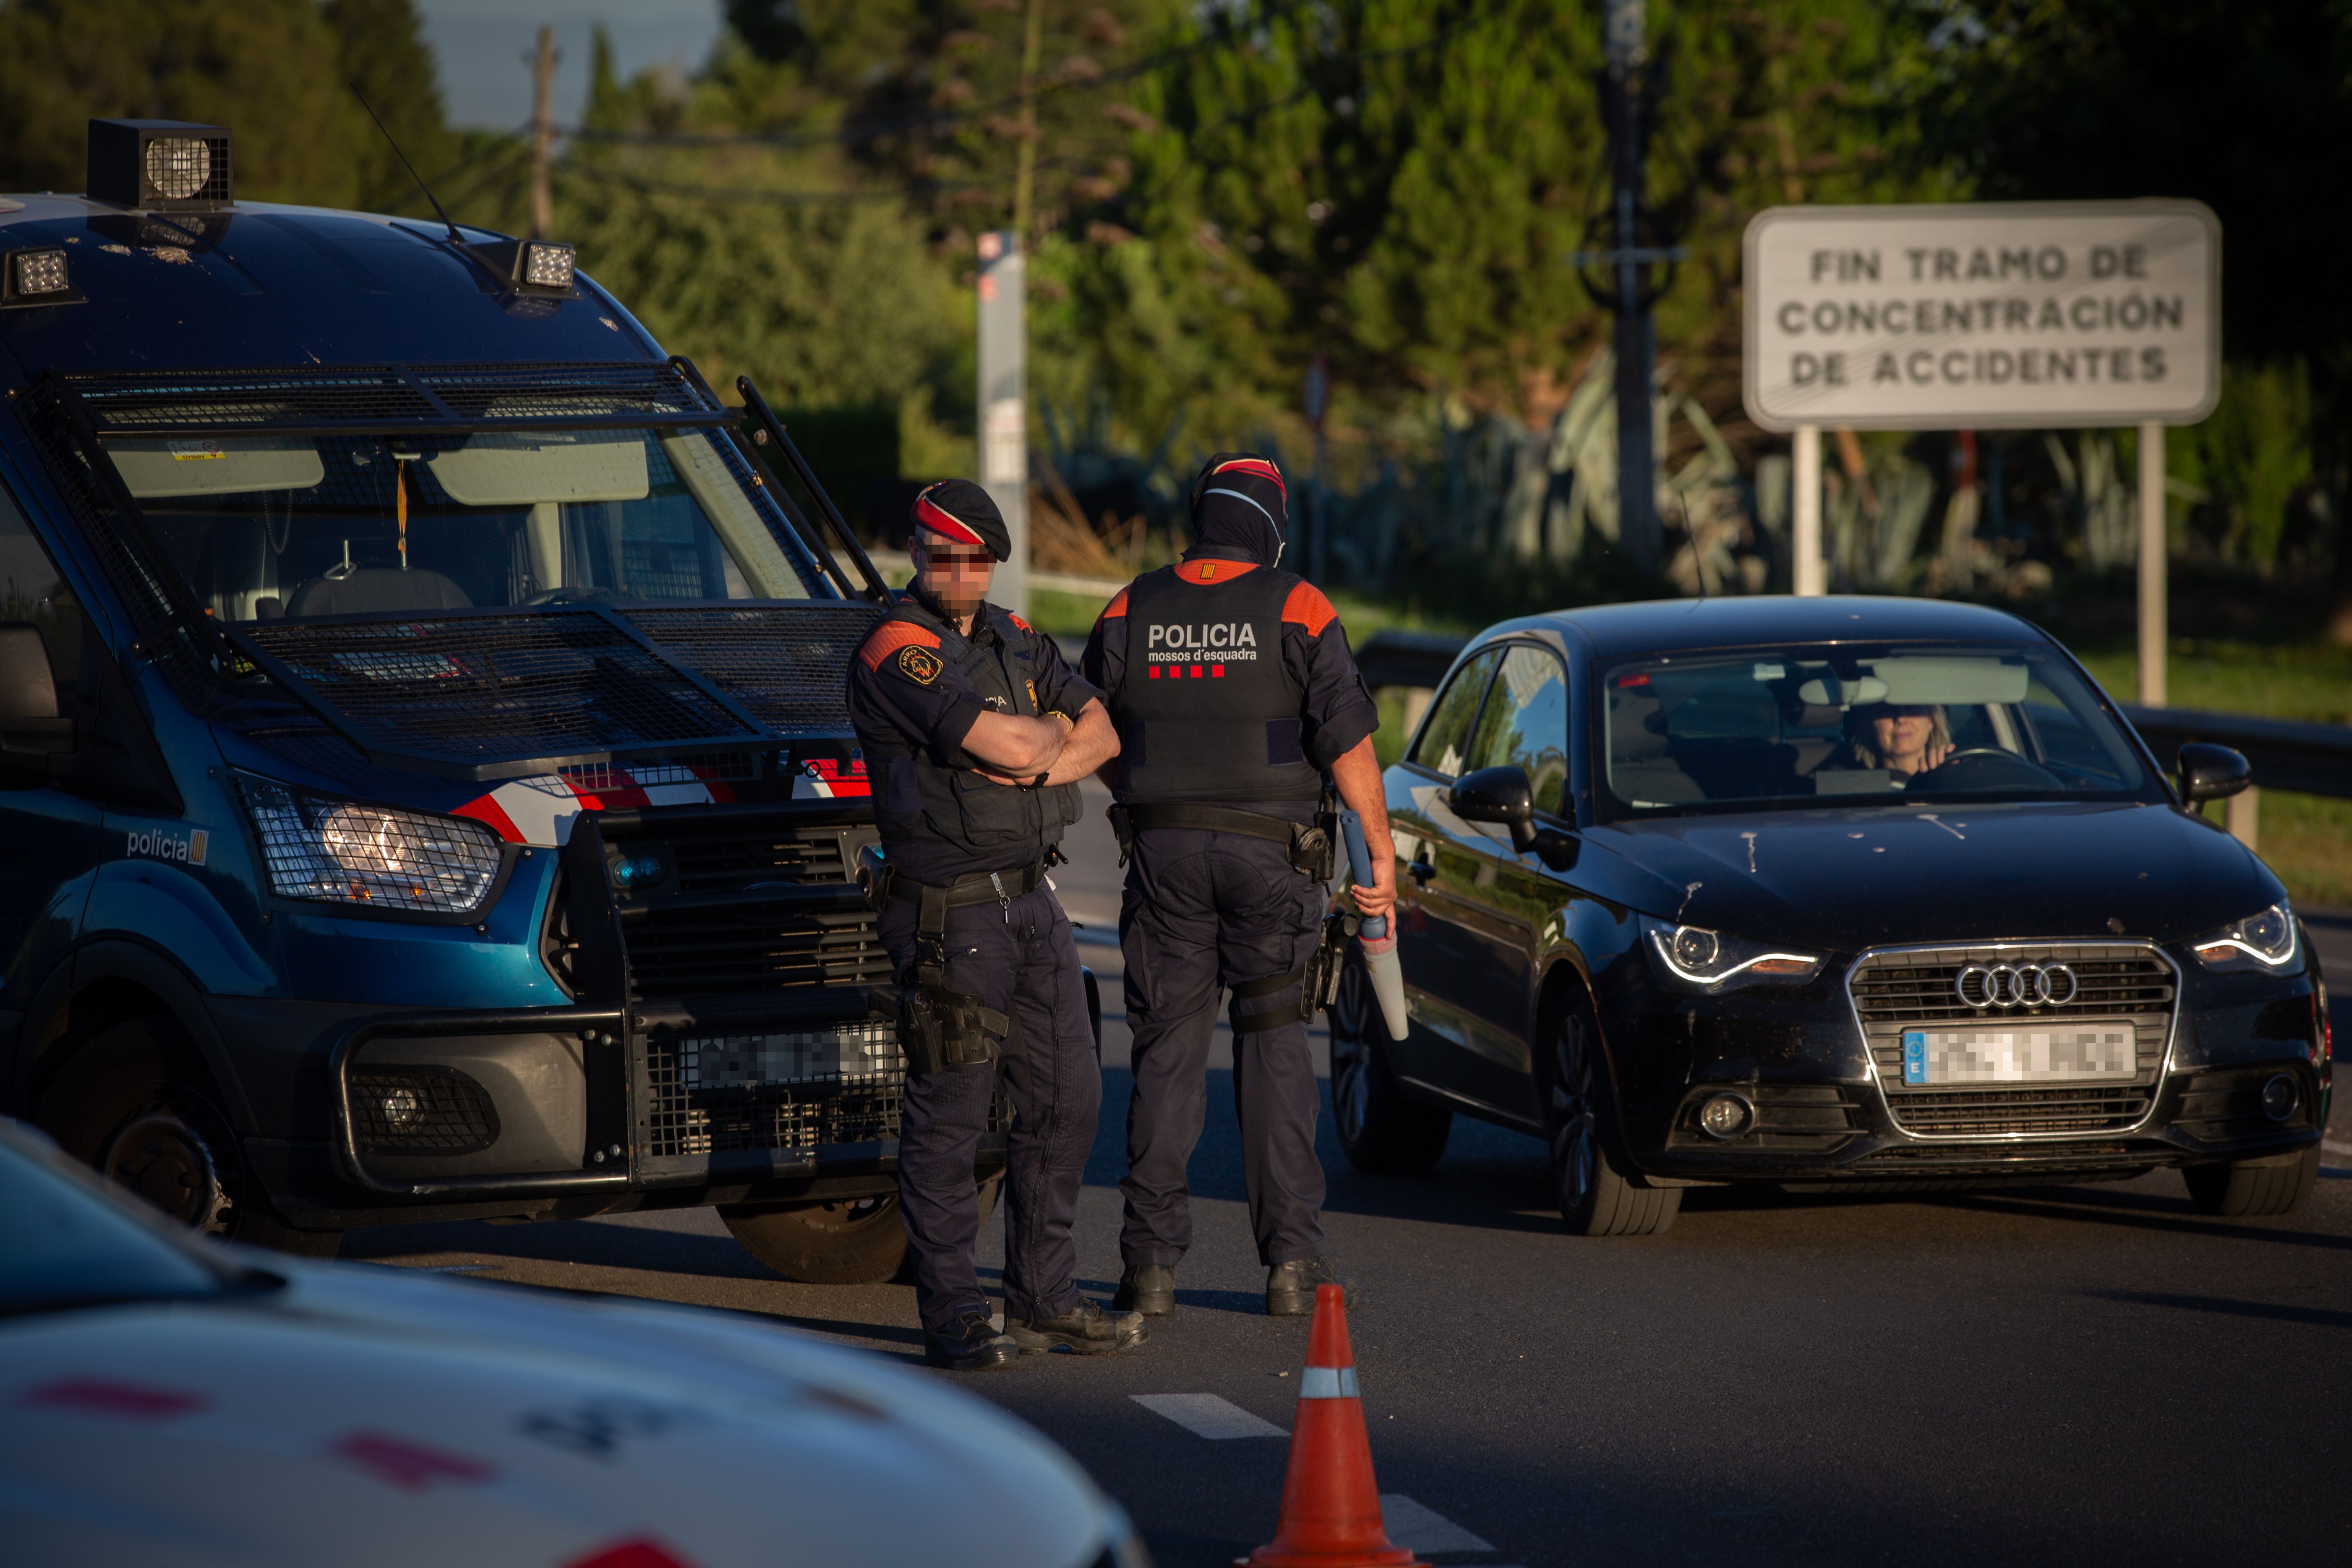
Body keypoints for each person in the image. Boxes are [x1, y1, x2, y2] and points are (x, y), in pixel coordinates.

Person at [1083, 453, 1397, 1318]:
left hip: (1165, 859)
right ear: (1268, 521)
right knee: (1274, 1049)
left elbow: (1093, 734)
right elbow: (1348, 744)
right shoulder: (1298, 604)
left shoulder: (1128, 605)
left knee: (1168, 1056)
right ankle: (1291, 1266)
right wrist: (1379, 853)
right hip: (1274, 863)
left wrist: (1154, 806)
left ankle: (1148, 1267)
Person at [846, 479, 1140, 1371]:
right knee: (952, 1116)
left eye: (978, 558)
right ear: (918, 552)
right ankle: (954, 1312)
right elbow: (1024, 741)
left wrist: (1035, 759)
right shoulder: (898, 648)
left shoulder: (1015, 634)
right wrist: (1038, 740)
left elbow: (1104, 730)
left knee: (1068, 1098)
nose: (963, 572)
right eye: (946, 555)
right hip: (950, 910)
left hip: (1030, 898)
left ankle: (1044, 1297)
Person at [1844, 701, 1953, 782]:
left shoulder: (1950, 780)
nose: (1901, 719)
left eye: (1911, 707)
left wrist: (1955, 774)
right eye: (1886, 710)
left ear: (1932, 720)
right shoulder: (1855, 794)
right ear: (1870, 727)